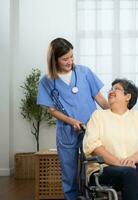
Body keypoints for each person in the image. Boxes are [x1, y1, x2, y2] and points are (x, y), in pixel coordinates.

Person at [37, 38, 109, 200]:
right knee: (69, 172)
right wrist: (72, 122)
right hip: (67, 130)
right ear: (54, 60)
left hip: (91, 129)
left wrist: (115, 113)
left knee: (90, 168)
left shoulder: (84, 72)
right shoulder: (46, 81)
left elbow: (99, 97)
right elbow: (52, 110)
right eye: (65, 59)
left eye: (71, 57)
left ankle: (89, 197)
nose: (70, 61)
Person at [83, 78, 138, 200]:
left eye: (117, 89)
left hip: (132, 165)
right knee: (130, 173)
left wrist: (134, 157)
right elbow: (93, 146)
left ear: (128, 97)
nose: (111, 91)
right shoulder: (98, 116)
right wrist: (119, 163)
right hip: (103, 168)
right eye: (111, 88)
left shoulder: (137, 116)